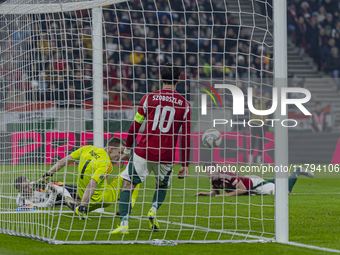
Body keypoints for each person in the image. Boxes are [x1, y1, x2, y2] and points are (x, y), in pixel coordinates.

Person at [111, 63, 191, 234]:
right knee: (161, 185)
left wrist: (127, 150)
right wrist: (185, 164)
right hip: (167, 155)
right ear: (179, 79)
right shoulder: (185, 105)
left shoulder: (149, 98)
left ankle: (124, 223)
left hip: (144, 151)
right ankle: (153, 209)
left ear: (161, 78)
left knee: (128, 184)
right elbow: (186, 136)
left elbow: (134, 127)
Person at [37, 137, 140, 219]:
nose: (121, 156)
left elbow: (63, 161)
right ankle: (126, 208)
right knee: (134, 175)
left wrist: (47, 175)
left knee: (78, 187)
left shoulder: (86, 149)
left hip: (83, 196)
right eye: (120, 152)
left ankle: (75, 203)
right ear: (111, 149)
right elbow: (92, 184)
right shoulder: (106, 163)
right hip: (100, 199)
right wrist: (83, 208)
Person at [195, 165, 314, 197]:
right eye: (207, 172)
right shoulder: (214, 180)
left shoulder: (226, 174)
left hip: (254, 184)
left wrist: (225, 196)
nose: (210, 173)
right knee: (271, 183)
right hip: (251, 183)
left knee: (284, 193)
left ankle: (297, 171)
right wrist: (206, 194)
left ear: (216, 168)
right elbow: (216, 193)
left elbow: (242, 189)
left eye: (211, 170)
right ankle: (282, 177)